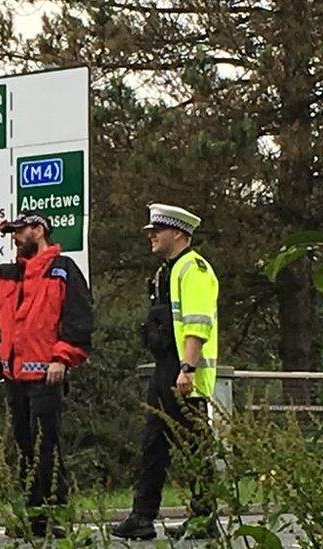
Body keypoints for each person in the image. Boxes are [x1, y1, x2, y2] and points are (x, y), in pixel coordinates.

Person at [0, 210, 94, 538]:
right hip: (14, 376)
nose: (15, 237)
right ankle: (32, 516)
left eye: (20, 231)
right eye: (13, 232)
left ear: (39, 229)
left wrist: (62, 358)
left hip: (47, 374)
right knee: (24, 447)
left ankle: (53, 514)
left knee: (47, 446)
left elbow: (79, 318)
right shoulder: (8, 274)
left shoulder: (64, 270)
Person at [111, 204, 220, 541]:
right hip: (166, 368)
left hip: (184, 370)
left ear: (179, 233)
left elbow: (197, 323)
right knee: (153, 444)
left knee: (193, 446)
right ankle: (142, 516)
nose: (151, 235)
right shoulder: (166, 272)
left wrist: (187, 368)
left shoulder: (193, 269)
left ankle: (204, 518)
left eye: (158, 230)